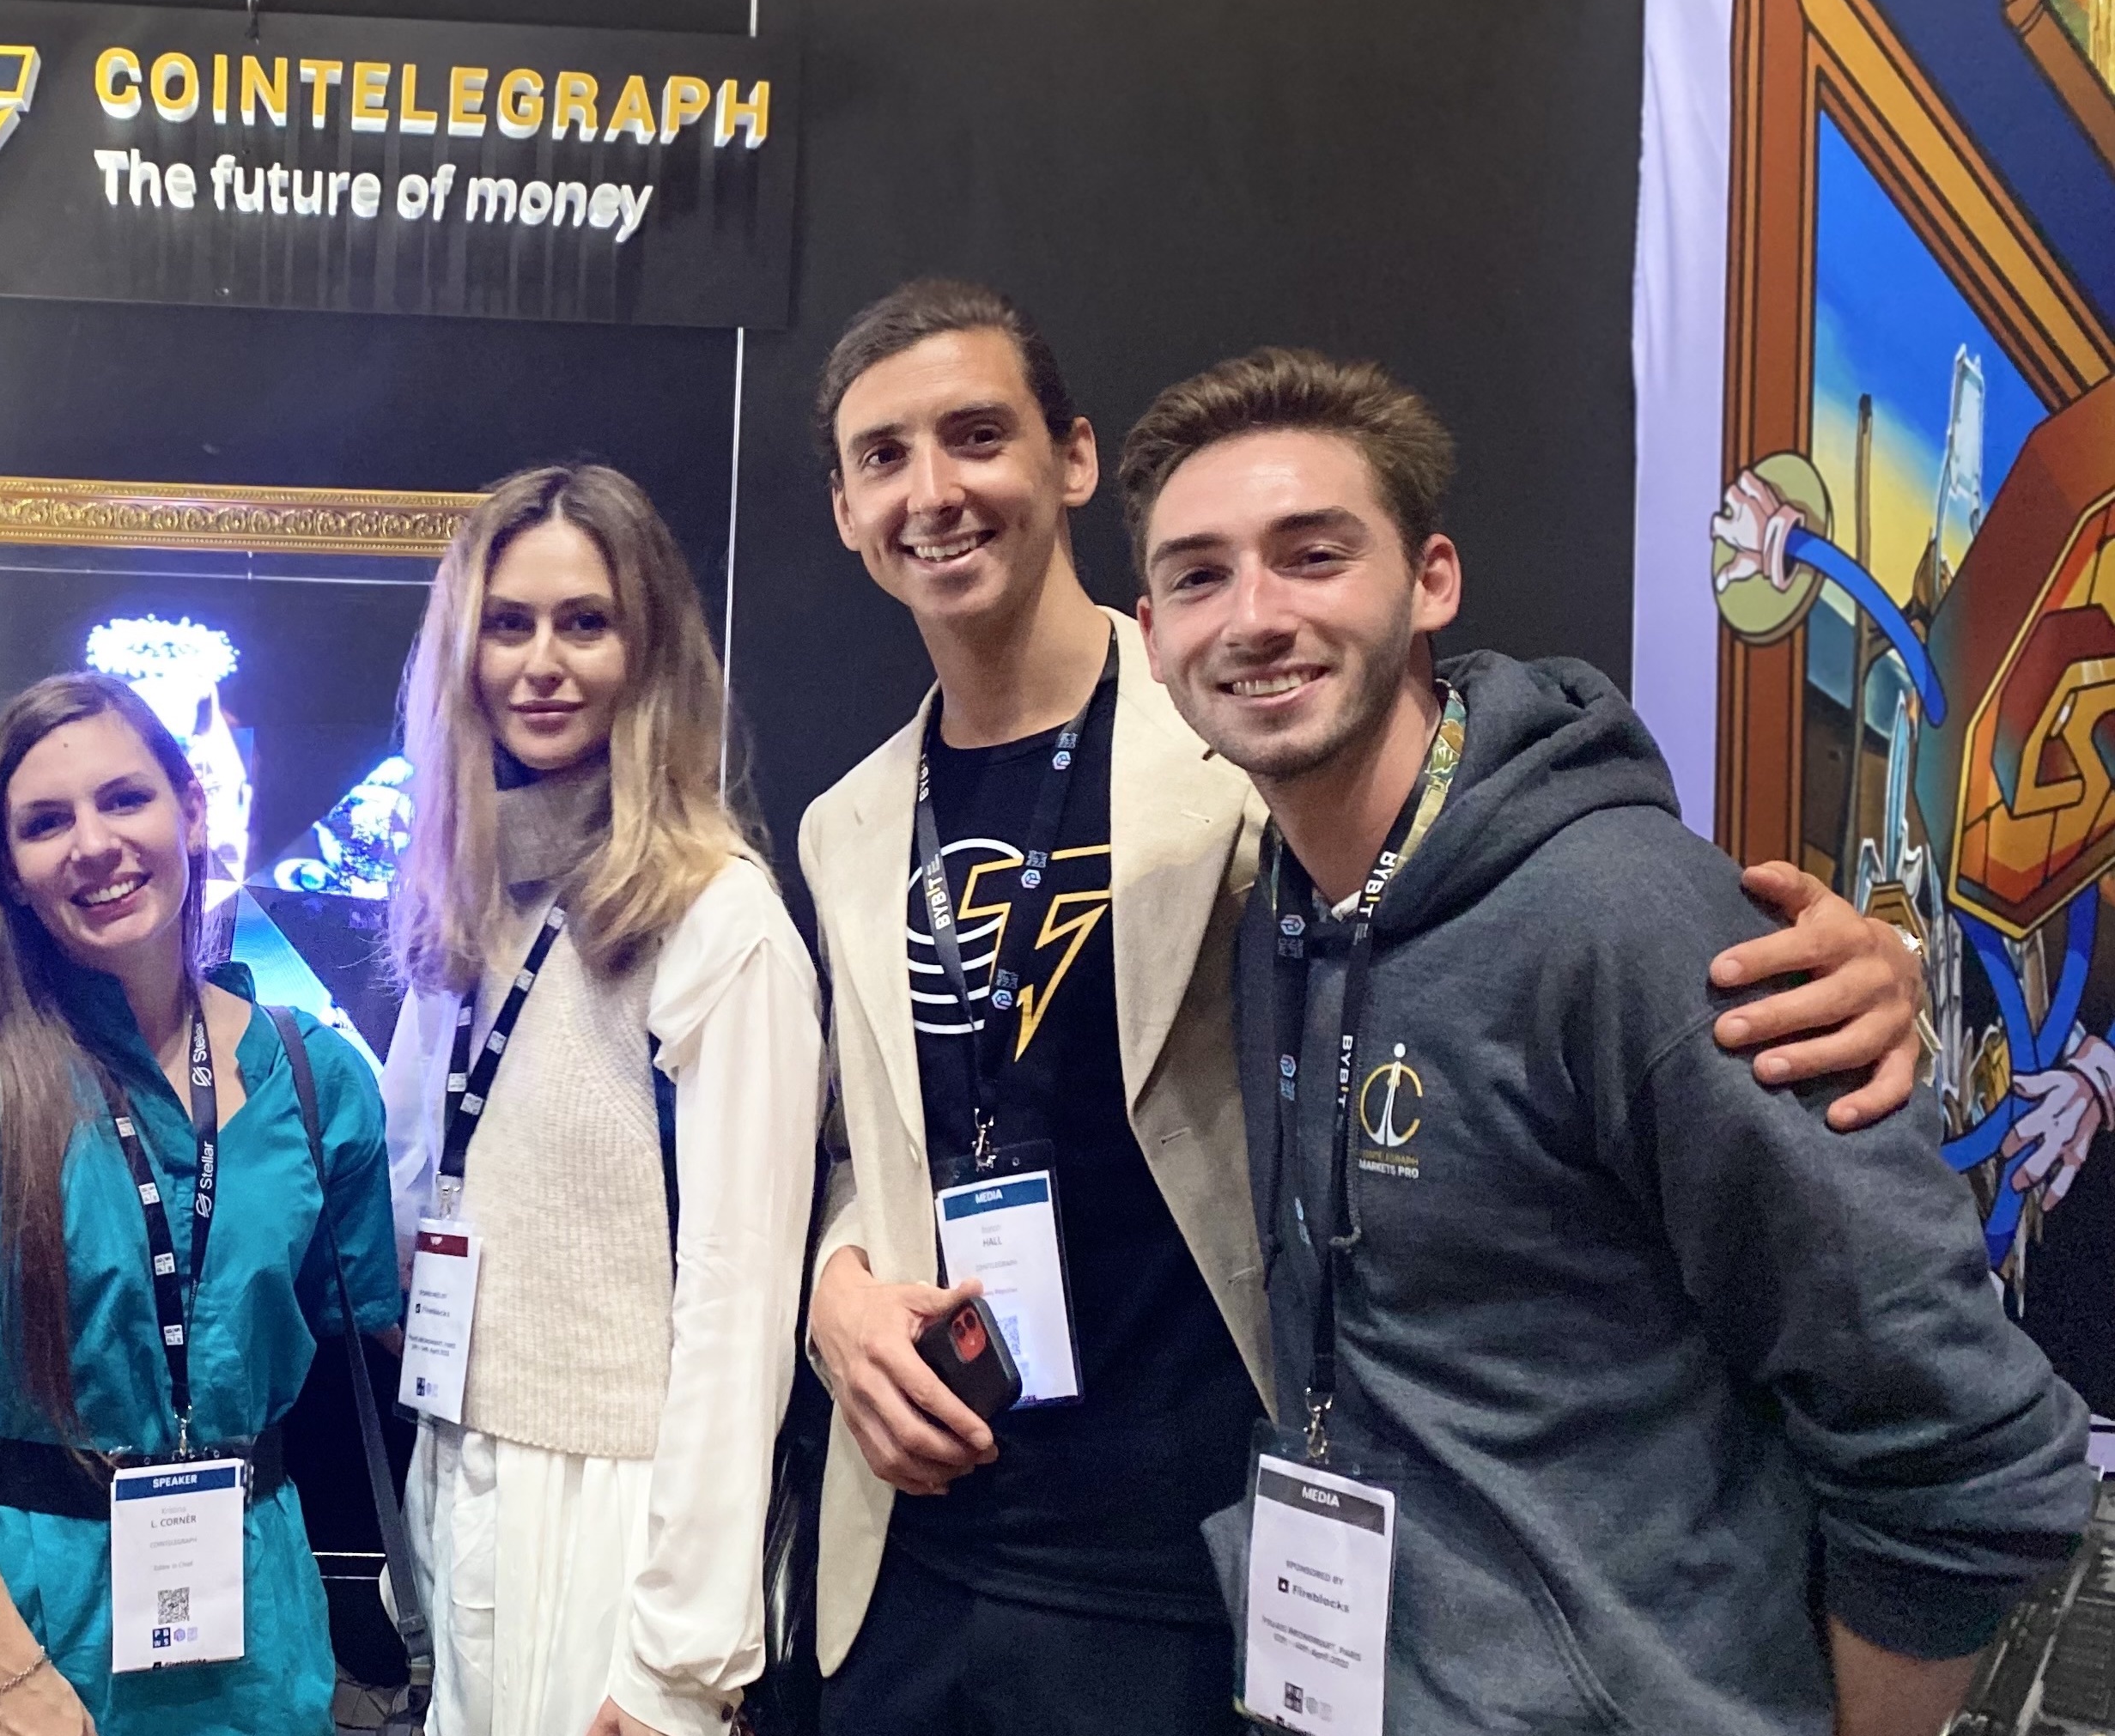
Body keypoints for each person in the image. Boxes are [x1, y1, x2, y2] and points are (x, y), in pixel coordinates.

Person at [787, 280, 1930, 1736]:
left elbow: (1485, 841)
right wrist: (834, 1290)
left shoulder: (1246, 731)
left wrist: (1859, 960)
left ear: (1070, 460)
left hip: (1196, 1554)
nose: (933, 491)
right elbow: (869, 1142)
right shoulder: (845, 823)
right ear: (843, 507)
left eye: (974, 434)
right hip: (921, 1550)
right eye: (883, 456)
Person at [1126, 345, 2093, 1736]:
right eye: (1198, 576)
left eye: (1313, 554)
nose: (1254, 616)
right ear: (1150, 633)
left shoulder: (1627, 921)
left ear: (1431, 581)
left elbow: (1960, 1442)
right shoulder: (1278, 909)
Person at [0, 671, 405, 1736]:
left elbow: (372, 1327)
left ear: (192, 809)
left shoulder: (317, 1078)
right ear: (9, 869)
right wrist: (9, 1671)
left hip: (255, 1630)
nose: (94, 844)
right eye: (46, 822)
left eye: (125, 799)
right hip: (26, 1629)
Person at [374, 464, 822, 1736]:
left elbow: (739, 1304)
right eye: (508, 625)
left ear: (649, 649)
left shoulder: (718, 918)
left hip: (624, 1520)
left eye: (585, 623)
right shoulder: (469, 906)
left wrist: (679, 1651)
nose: (541, 664)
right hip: (467, 1468)